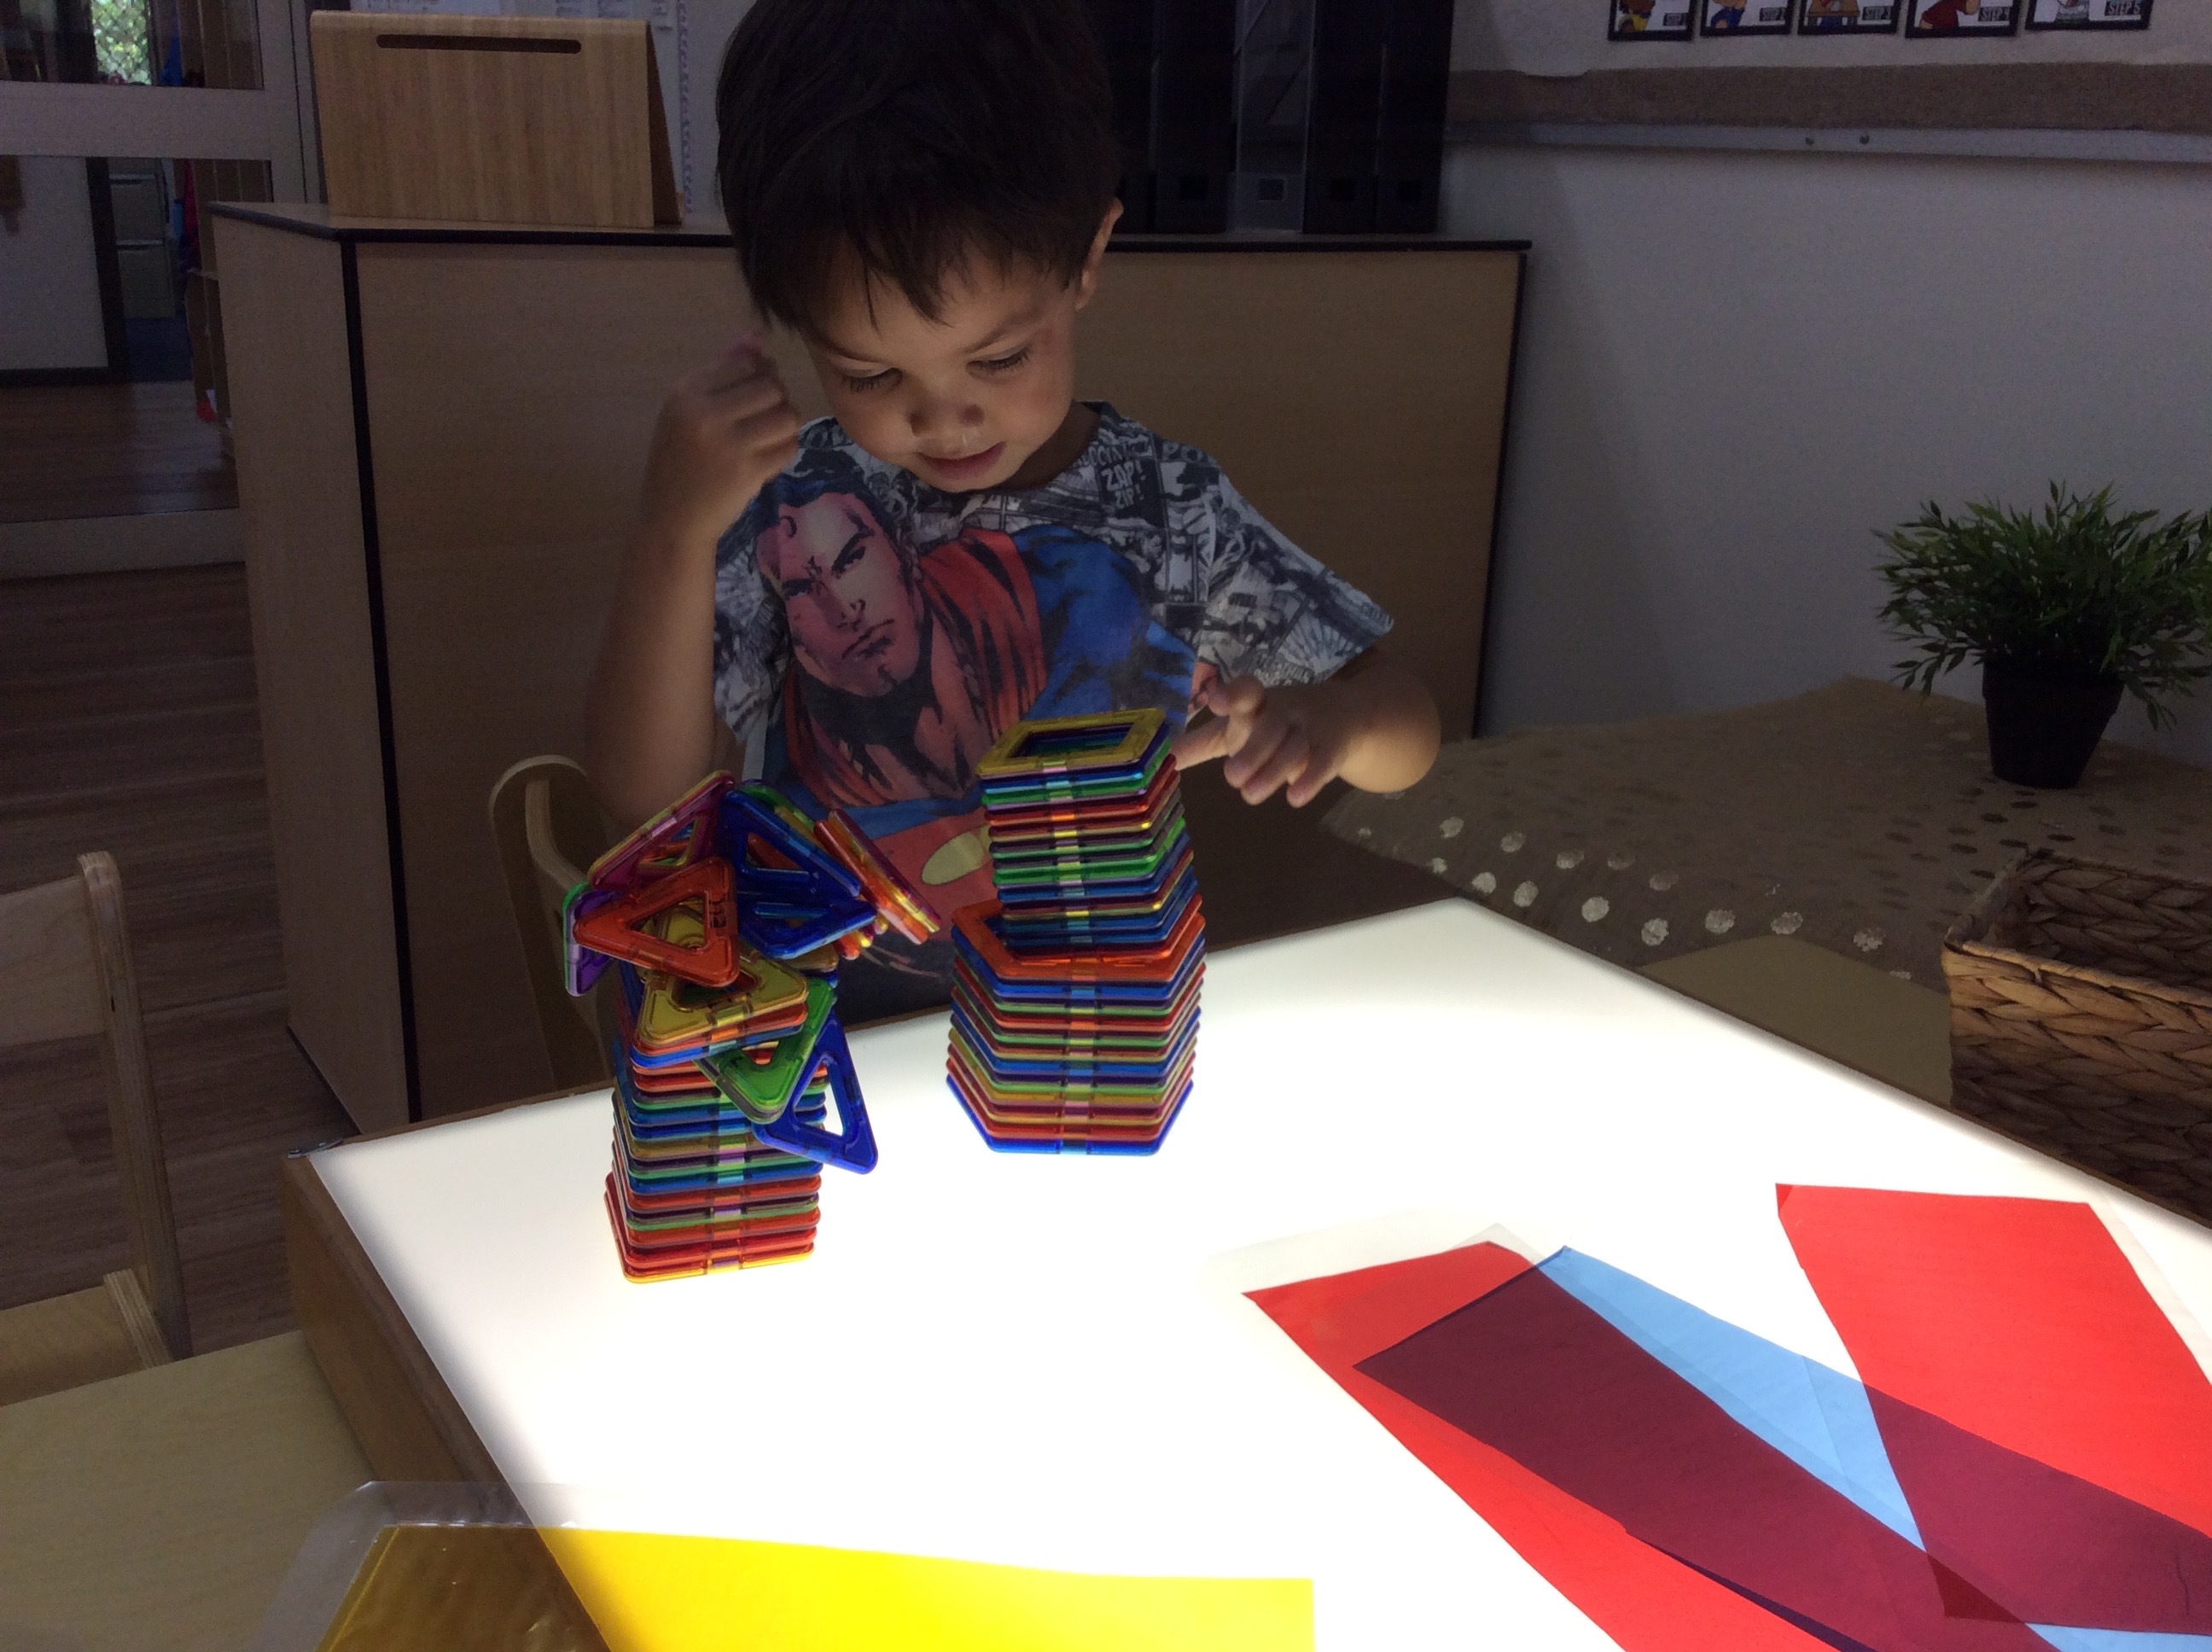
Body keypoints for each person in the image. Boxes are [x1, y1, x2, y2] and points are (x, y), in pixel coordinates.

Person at [586, 0, 1441, 1015]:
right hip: (829, 1038)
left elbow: (1409, 733)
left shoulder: (1170, 508)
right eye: (869, 374)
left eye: (997, 358)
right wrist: (672, 530)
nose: (942, 419)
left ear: (1086, 259)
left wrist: (1333, 722)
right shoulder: (793, 502)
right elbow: (644, 798)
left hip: (1083, 1028)